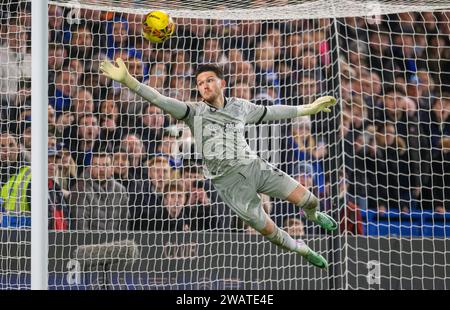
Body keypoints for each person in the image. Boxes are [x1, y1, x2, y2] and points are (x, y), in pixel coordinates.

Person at [100, 59, 337, 268]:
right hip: (232, 187)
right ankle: (303, 249)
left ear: (221, 83)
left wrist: (309, 108)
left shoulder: (241, 107)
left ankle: (314, 216)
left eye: (209, 80)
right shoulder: (192, 112)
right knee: (271, 233)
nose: (204, 85)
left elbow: (273, 111)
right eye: (200, 83)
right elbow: (157, 98)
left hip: (255, 167)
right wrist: (129, 81)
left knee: (311, 200)